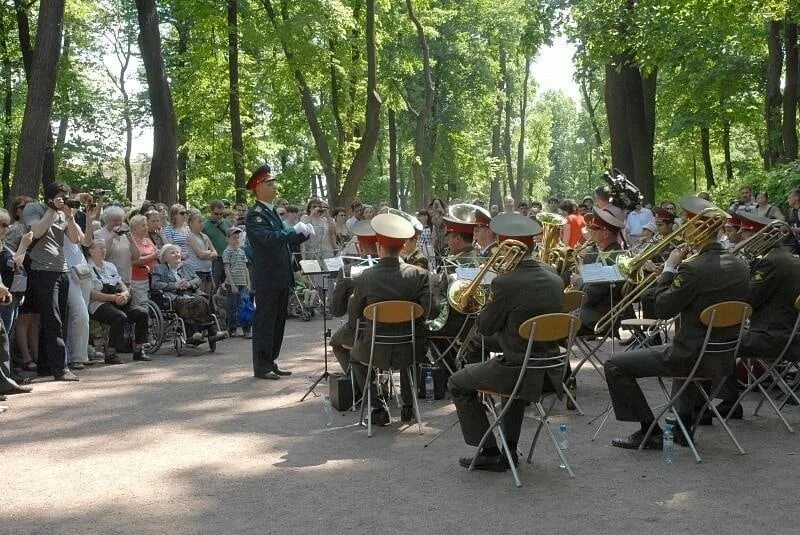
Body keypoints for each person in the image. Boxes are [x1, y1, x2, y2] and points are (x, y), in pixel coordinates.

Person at [604, 196, 749, 450]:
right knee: (685, 345)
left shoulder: (693, 270)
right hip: (723, 354)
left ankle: (649, 431)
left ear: (695, 227)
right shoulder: (739, 265)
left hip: (690, 355)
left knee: (615, 365)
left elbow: (662, 309)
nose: (682, 226)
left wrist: (669, 270)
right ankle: (682, 422)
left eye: (686, 222)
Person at [449, 213, 563, 471]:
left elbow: (486, 326)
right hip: (552, 371)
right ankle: (508, 450)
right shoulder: (555, 278)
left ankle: (489, 451)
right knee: (507, 376)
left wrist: (486, 302)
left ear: (505, 245)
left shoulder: (505, 282)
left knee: (457, 383)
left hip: (519, 373)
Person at [345, 213, 432, 425]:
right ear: (403, 247)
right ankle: (409, 406)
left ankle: (378, 407)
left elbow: (354, 315)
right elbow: (430, 311)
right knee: (413, 344)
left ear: (378, 247)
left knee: (356, 357)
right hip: (410, 349)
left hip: (375, 351)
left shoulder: (365, 277)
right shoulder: (419, 275)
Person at [245, 164, 312, 380]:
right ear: (258, 187)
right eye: (269, 184)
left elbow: (282, 237)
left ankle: (272, 360)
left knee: (278, 321)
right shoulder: (255, 215)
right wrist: (293, 231)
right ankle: (262, 366)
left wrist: (301, 235)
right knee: (265, 321)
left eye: (273, 183)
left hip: (280, 275)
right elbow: (269, 240)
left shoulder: (270, 211)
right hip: (267, 276)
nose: (274, 187)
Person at [22, 182, 83, 381]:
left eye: (67, 196)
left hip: (62, 269)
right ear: (51, 196)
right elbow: (36, 232)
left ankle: (46, 366)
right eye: (62, 196)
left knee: (58, 319)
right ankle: (61, 368)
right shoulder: (35, 208)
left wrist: (70, 216)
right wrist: (51, 209)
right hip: (42, 271)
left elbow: (75, 239)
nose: (65, 199)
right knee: (52, 319)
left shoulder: (63, 214)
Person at [87, 240, 150, 364]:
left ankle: (139, 350)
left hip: (118, 300)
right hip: (99, 304)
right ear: (90, 251)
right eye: (100, 248)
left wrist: (125, 294)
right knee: (119, 316)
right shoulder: (87, 268)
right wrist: (113, 298)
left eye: (104, 248)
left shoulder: (110, 266)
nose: (104, 250)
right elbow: (92, 294)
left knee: (142, 313)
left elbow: (121, 284)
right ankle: (110, 353)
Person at [569, 208, 631, 336]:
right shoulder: (607, 254)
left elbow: (590, 296)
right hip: (592, 313)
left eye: (594, 229)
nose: (590, 232)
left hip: (597, 319)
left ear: (606, 234)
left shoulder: (610, 259)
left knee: (546, 327)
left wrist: (578, 280)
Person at [153, 244, 221, 346]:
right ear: (165, 258)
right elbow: (155, 284)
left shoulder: (186, 266)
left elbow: (197, 279)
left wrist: (189, 284)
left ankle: (194, 335)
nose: (177, 254)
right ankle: (211, 332)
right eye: (172, 253)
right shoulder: (160, 268)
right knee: (198, 301)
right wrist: (175, 285)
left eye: (177, 252)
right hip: (174, 298)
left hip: (190, 294)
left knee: (201, 299)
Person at [94, 205, 137, 287]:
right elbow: (103, 256)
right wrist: (112, 236)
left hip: (127, 278)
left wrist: (132, 241)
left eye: (120, 220)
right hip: (109, 279)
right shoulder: (99, 234)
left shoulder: (124, 234)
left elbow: (136, 256)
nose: (118, 223)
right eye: (114, 220)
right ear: (107, 221)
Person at [222, 227, 252, 339]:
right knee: (232, 308)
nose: (236, 240)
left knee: (245, 306)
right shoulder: (227, 252)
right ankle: (232, 330)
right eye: (233, 238)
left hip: (243, 283)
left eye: (238, 238)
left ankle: (247, 330)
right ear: (228, 239)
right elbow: (227, 269)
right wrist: (232, 284)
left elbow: (245, 268)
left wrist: (248, 282)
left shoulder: (242, 251)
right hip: (232, 284)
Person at [129, 215, 159, 306]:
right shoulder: (131, 242)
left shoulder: (148, 240)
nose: (146, 227)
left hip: (154, 277)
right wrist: (152, 257)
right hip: (139, 279)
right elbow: (133, 261)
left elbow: (157, 254)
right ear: (134, 229)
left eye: (146, 225)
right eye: (143, 225)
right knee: (143, 304)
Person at [186, 212, 217, 297]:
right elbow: (200, 255)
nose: (202, 224)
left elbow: (215, 253)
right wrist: (209, 252)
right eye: (199, 222)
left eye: (203, 222)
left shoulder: (205, 236)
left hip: (208, 270)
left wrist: (207, 253)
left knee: (208, 297)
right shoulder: (190, 237)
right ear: (191, 223)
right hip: (198, 271)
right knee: (200, 298)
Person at [204, 200, 232, 289]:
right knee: (214, 285)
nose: (219, 216)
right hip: (215, 259)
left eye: (221, 214)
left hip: (228, 258)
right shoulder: (205, 225)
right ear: (211, 211)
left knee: (228, 285)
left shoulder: (227, 223)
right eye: (216, 214)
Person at [786, 188, 800, 254]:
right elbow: (787, 224)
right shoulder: (790, 211)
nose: (787, 200)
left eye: (789, 198)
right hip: (795, 242)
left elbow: (790, 228)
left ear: (796, 197)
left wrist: (790, 229)